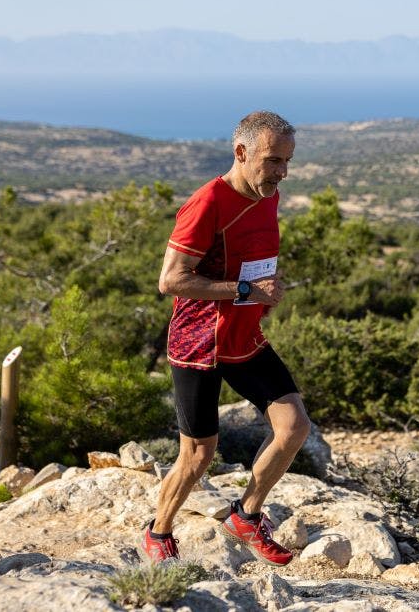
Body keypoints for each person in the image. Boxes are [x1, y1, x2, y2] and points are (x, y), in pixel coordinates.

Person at [143, 111, 311, 566]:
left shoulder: (268, 195)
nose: (282, 172)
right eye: (273, 160)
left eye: (287, 161)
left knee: (294, 426)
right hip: (199, 343)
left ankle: (246, 515)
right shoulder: (207, 203)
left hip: (244, 337)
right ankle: (159, 532)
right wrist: (246, 291)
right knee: (198, 454)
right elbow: (171, 280)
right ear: (241, 152)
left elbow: (251, 257)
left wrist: (265, 290)